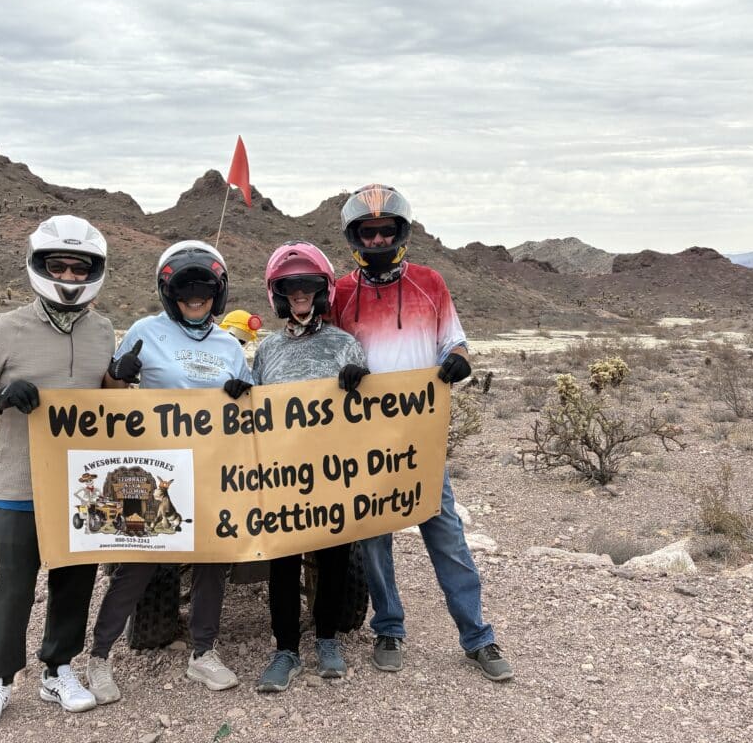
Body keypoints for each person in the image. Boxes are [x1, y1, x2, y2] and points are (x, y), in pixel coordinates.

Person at [331, 184, 513, 682]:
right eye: (367, 232)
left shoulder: (430, 283)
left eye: (385, 231)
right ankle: (388, 625)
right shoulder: (341, 293)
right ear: (355, 237)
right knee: (373, 541)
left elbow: (456, 343)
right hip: (363, 444)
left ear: (400, 233)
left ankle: (478, 635)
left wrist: (457, 362)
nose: (376, 239)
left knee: (447, 536)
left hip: (420, 441)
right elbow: (325, 351)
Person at [0, 215, 114, 729]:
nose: (67, 275)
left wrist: (120, 384)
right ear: (39, 266)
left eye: (78, 266)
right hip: (20, 484)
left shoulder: (105, 330)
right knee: (14, 584)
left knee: (75, 581)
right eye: (58, 265)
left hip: (84, 484)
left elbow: (110, 404)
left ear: (94, 271)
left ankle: (58, 669)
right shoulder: (7, 328)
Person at [86, 240, 253, 703]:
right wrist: (119, 373)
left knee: (212, 562)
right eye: (186, 291)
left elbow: (256, 408)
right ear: (169, 292)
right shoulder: (145, 330)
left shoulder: (228, 345)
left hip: (214, 467)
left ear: (216, 295)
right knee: (138, 562)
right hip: (152, 466)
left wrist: (243, 391)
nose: (195, 299)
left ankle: (203, 653)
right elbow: (111, 395)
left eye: (204, 291)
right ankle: (98, 658)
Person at [248, 242, 369, 692]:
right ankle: (285, 648)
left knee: (335, 557)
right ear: (279, 295)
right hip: (280, 473)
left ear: (322, 293)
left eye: (308, 288)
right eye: (291, 288)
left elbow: (374, 412)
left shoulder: (344, 344)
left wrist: (361, 381)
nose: (300, 295)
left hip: (333, 472)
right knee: (282, 562)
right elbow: (253, 412)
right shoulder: (267, 350)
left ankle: (327, 640)